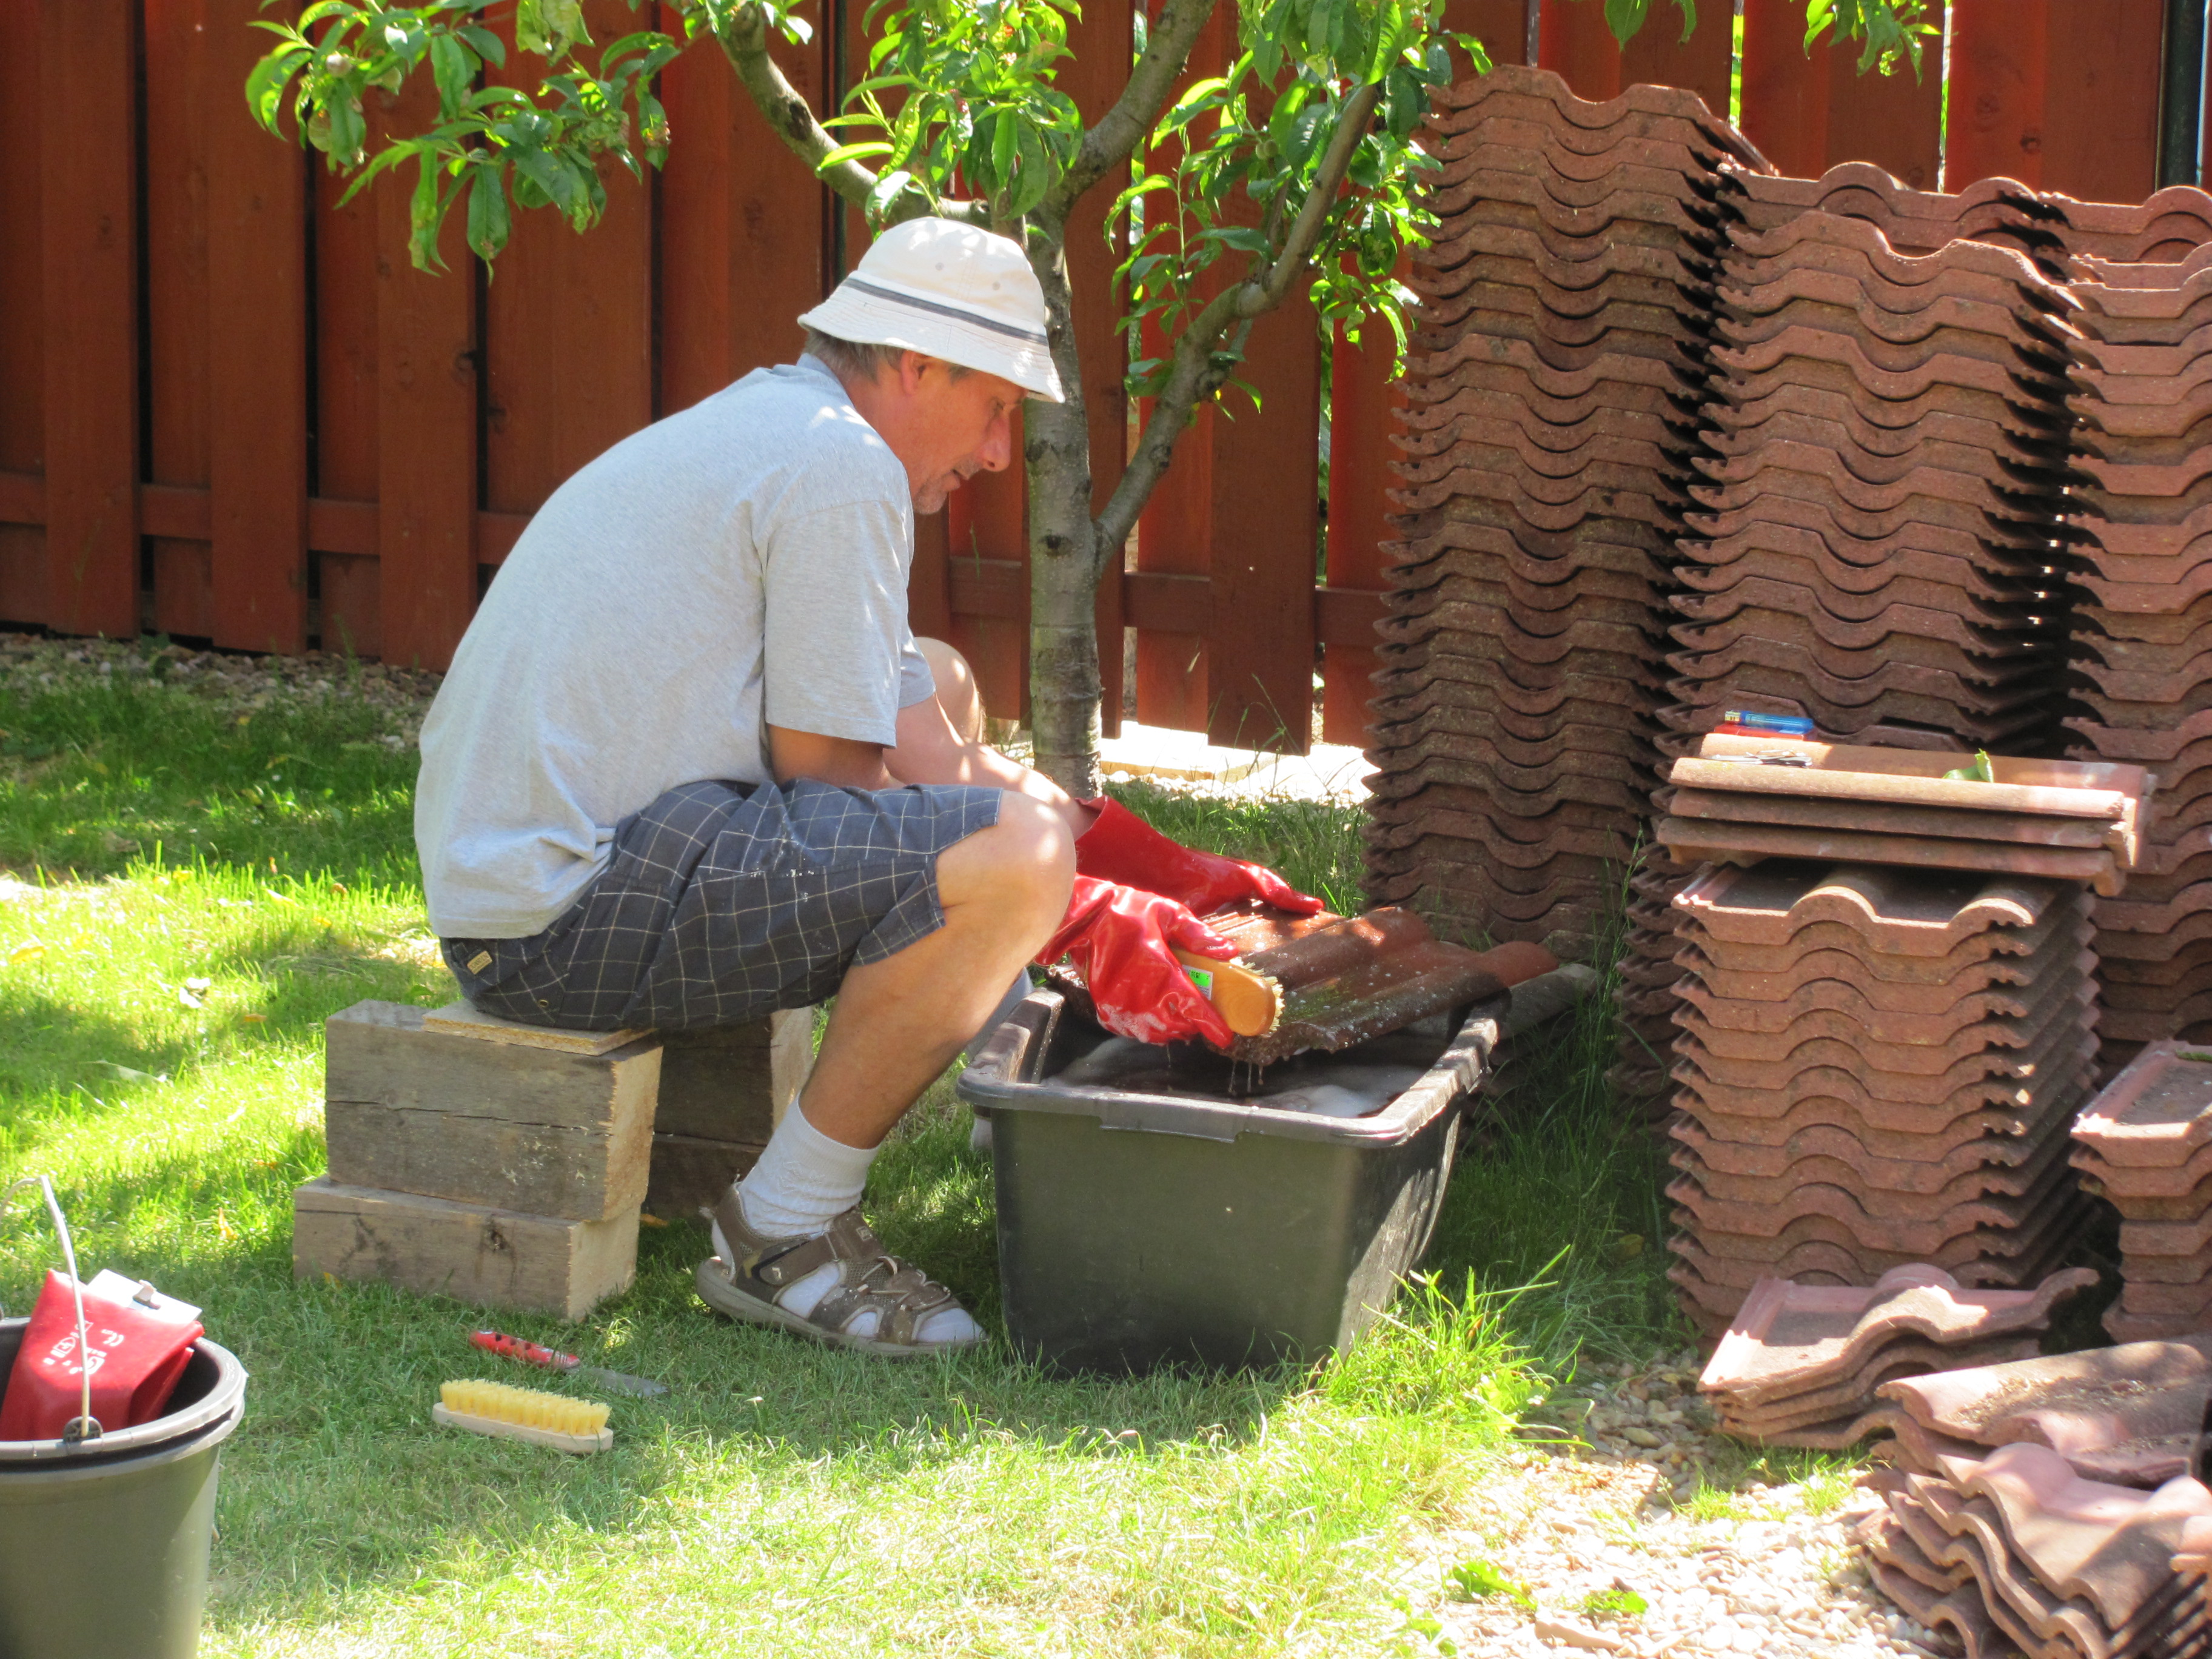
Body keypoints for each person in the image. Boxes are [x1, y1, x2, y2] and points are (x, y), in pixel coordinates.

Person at [413, 217, 1316, 1358]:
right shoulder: (840, 467)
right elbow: (831, 788)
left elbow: (926, 745)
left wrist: (1139, 867)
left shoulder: (789, 428)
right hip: (555, 924)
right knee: (1008, 864)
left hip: (553, 871)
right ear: (914, 364)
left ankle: (989, 1034)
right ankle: (784, 1231)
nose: (998, 451)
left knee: (938, 688)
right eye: (993, 407)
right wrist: (1055, 894)